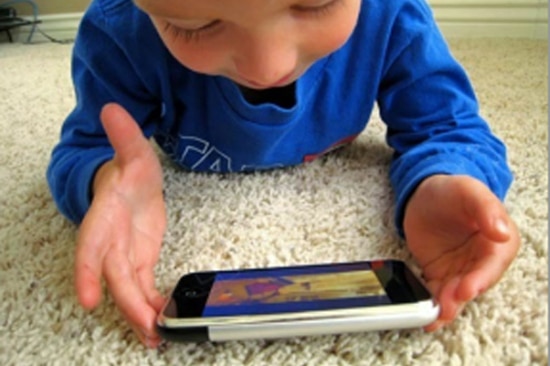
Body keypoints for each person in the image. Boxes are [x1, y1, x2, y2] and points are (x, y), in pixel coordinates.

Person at [46, 0, 520, 348]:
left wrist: (441, 179)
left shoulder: (392, 14)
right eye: (196, 25)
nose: (267, 65)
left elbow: (450, 126)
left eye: (316, 4)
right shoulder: (118, 33)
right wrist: (105, 180)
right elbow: (84, 148)